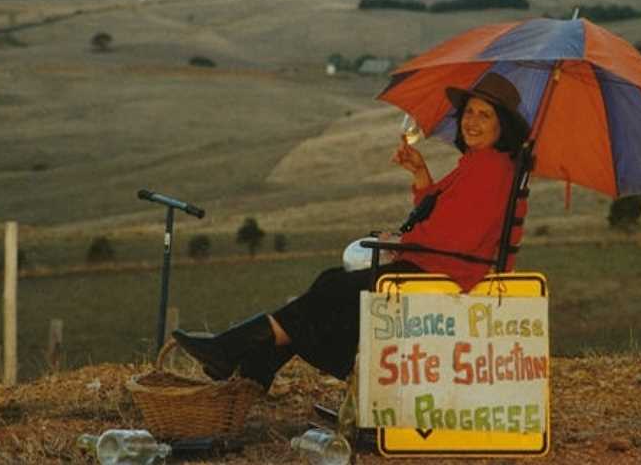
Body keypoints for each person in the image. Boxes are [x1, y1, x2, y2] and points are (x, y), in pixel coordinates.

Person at [173, 72, 530, 390]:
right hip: (435, 264)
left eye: (485, 115)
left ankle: (233, 353)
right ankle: (252, 369)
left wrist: (402, 243)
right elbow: (441, 216)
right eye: (469, 111)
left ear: (503, 127)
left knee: (331, 290)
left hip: (445, 273)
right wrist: (421, 177)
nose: (472, 121)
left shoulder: (492, 169)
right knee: (330, 288)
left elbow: (456, 240)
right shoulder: (476, 164)